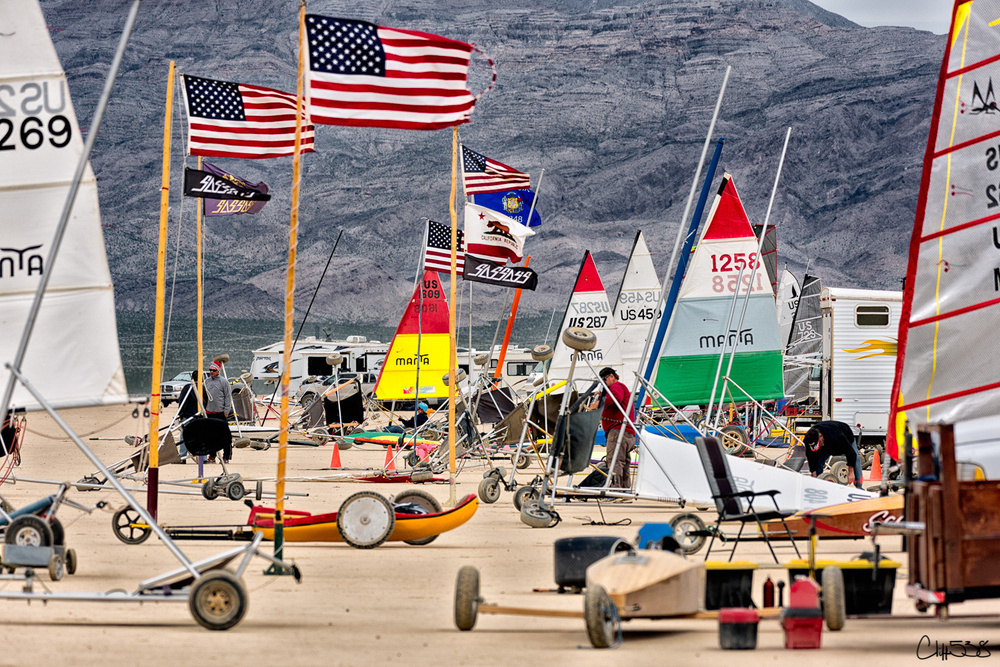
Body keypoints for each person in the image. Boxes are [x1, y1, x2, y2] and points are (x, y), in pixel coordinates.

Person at [599, 367, 636, 489]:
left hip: (618, 430)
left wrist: (599, 403)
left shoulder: (617, 386)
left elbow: (616, 399)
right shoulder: (619, 388)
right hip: (626, 431)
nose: (604, 384)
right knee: (623, 462)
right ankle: (625, 490)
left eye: (604, 380)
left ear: (611, 377)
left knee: (614, 460)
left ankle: (615, 488)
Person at [802, 420, 864, 489]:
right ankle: (818, 485)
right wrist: (814, 474)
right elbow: (810, 457)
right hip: (827, 444)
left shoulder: (836, 435)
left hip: (845, 434)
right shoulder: (809, 439)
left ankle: (859, 487)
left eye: (818, 443)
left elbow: (851, 453)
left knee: (855, 460)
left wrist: (851, 471)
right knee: (817, 462)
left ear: (821, 436)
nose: (816, 446)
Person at [203, 360, 234, 462]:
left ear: (218, 371)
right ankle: (212, 456)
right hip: (209, 413)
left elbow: (228, 397)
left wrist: (226, 411)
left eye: (213, 370)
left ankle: (226, 456)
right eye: (210, 370)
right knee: (210, 436)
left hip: (220, 413)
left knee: (225, 436)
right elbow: (204, 397)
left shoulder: (223, 382)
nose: (211, 372)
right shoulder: (206, 382)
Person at [175, 371, 205, 461]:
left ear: (192, 378)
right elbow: (206, 401)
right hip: (200, 416)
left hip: (188, 415)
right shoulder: (203, 388)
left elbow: (183, 402)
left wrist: (181, 414)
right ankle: (203, 457)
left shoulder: (187, 388)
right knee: (200, 437)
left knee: (184, 437)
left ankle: (182, 456)